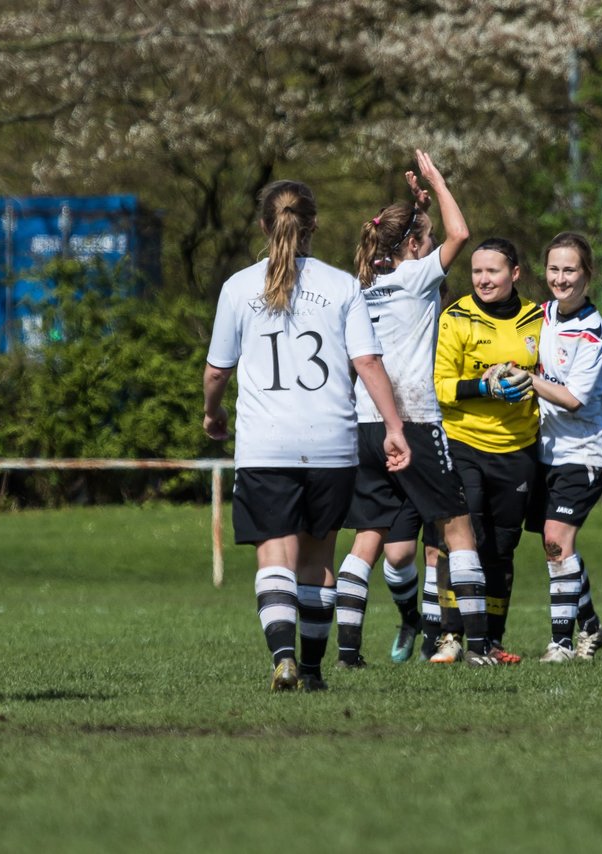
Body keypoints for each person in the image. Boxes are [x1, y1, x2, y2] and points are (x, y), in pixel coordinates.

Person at [203, 179, 411, 692]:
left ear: (262, 226)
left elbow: (215, 372)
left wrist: (211, 413)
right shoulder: (342, 286)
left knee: (275, 554)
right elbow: (366, 361)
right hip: (331, 445)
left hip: (264, 444)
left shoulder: (237, 287)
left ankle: (283, 656)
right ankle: (314, 671)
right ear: (313, 224)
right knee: (318, 559)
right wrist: (394, 426)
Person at [333, 151, 496, 668]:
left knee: (371, 540)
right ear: (411, 246)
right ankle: (477, 647)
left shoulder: (362, 286)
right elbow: (461, 233)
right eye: (421, 240)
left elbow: (430, 252)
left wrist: (418, 210)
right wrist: (438, 184)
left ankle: (348, 654)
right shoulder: (413, 279)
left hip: (364, 425)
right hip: (417, 423)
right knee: (458, 529)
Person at [433, 237, 541, 665]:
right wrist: (484, 386)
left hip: (518, 449)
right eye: (477, 271)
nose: (482, 279)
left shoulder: (538, 319)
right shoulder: (456, 317)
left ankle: (492, 640)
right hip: (465, 444)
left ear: (514, 273)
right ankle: (450, 635)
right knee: (463, 539)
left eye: (492, 271)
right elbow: (440, 387)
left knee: (502, 547)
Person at [525, 233, 602, 662]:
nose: (560, 279)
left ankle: (560, 643)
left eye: (570, 270)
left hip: (584, 452)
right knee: (556, 544)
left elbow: (574, 398)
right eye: (554, 269)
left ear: (587, 275)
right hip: (544, 451)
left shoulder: (593, 330)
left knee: (556, 540)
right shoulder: (541, 315)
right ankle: (591, 627)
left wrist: (527, 379)